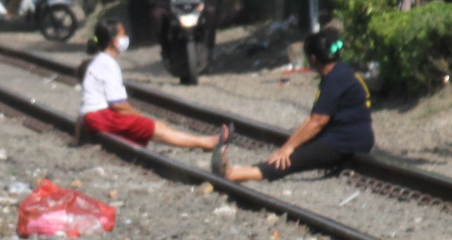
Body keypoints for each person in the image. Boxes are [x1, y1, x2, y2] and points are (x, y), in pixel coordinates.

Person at [224, 32, 373, 182]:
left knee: (290, 159)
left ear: (313, 59)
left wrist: (288, 148)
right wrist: (290, 143)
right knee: (292, 149)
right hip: (347, 136)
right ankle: (245, 171)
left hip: (346, 141)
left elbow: (318, 122)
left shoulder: (334, 80)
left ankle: (235, 174)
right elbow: (313, 118)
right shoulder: (340, 72)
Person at [78, 19, 232, 161]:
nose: (125, 38)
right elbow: (118, 104)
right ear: (113, 41)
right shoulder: (108, 64)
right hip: (101, 116)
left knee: (157, 127)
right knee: (155, 127)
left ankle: (204, 142)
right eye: (122, 34)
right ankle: (206, 143)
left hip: (96, 116)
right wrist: (141, 118)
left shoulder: (100, 61)